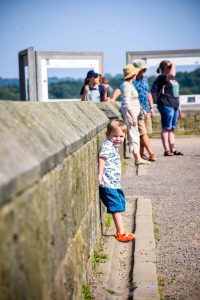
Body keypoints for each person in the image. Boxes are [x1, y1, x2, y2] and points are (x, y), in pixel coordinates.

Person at [98, 119, 135, 242]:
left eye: (121, 136)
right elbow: (102, 158)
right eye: (115, 136)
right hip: (108, 183)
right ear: (108, 134)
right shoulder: (107, 145)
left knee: (120, 203)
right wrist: (100, 174)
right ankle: (120, 233)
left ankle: (121, 231)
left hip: (114, 183)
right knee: (116, 207)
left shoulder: (113, 145)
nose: (118, 139)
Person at [120, 64, 151, 165]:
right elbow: (126, 102)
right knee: (133, 136)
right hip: (130, 115)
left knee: (135, 135)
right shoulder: (126, 85)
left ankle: (138, 157)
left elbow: (134, 100)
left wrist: (141, 110)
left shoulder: (129, 85)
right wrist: (133, 116)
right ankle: (137, 158)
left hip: (134, 114)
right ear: (133, 75)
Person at [152, 60, 183, 156]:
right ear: (165, 68)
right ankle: (167, 150)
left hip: (174, 105)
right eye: (170, 67)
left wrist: (179, 107)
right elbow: (172, 74)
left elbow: (176, 94)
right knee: (166, 128)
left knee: (172, 128)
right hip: (166, 104)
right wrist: (173, 64)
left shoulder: (172, 79)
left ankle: (172, 149)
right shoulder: (162, 77)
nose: (172, 69)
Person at [133, 60, 156, 161]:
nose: (144, 71)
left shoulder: (145, 79)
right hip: (137, 111)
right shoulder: (132, 81)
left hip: (146, 109)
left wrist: (151, 107)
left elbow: (148, 93)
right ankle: (151, 153)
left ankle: (142, 154)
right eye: (142, 69)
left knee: (145, 133)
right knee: (143, 133)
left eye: (145, 69)